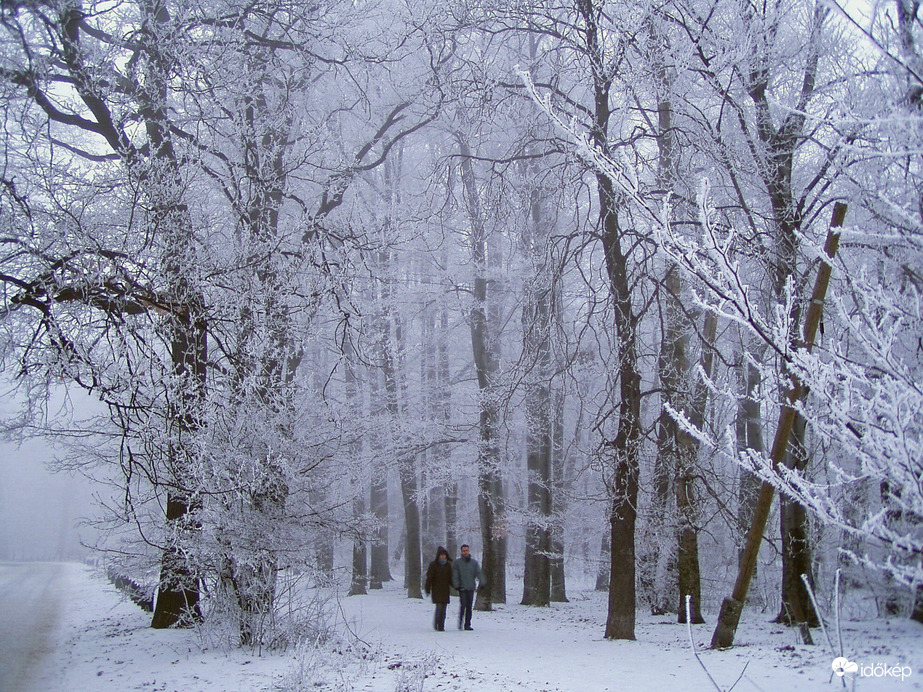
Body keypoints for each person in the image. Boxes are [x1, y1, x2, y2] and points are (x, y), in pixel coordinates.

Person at [451, 544, 484, 630]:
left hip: (471, 587)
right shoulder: (457, 563)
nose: (465, 552)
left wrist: (482, 582)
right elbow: (455, 575)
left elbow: (479, 573)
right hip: (462, 588)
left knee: (469, 607)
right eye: (464, 551)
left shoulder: (474, 563)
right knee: (463, 606)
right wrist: (457, 585)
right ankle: (460, 622)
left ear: (469, 551)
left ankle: (467, 624)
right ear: (461, 552)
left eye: (467, 550)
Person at [424, 546, 453, 631]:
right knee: (439, 607)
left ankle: (441, 626)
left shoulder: (448, 565)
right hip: (436, 590)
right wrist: (427, 588)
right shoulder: (433, 565)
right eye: (441, 555)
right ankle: (437, 624)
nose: (443, 557)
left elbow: (450, 578)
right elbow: (429, 578)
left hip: (445, 590)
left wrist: (456, 586)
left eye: (444, 555)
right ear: (438, 556)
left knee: (444, 609)